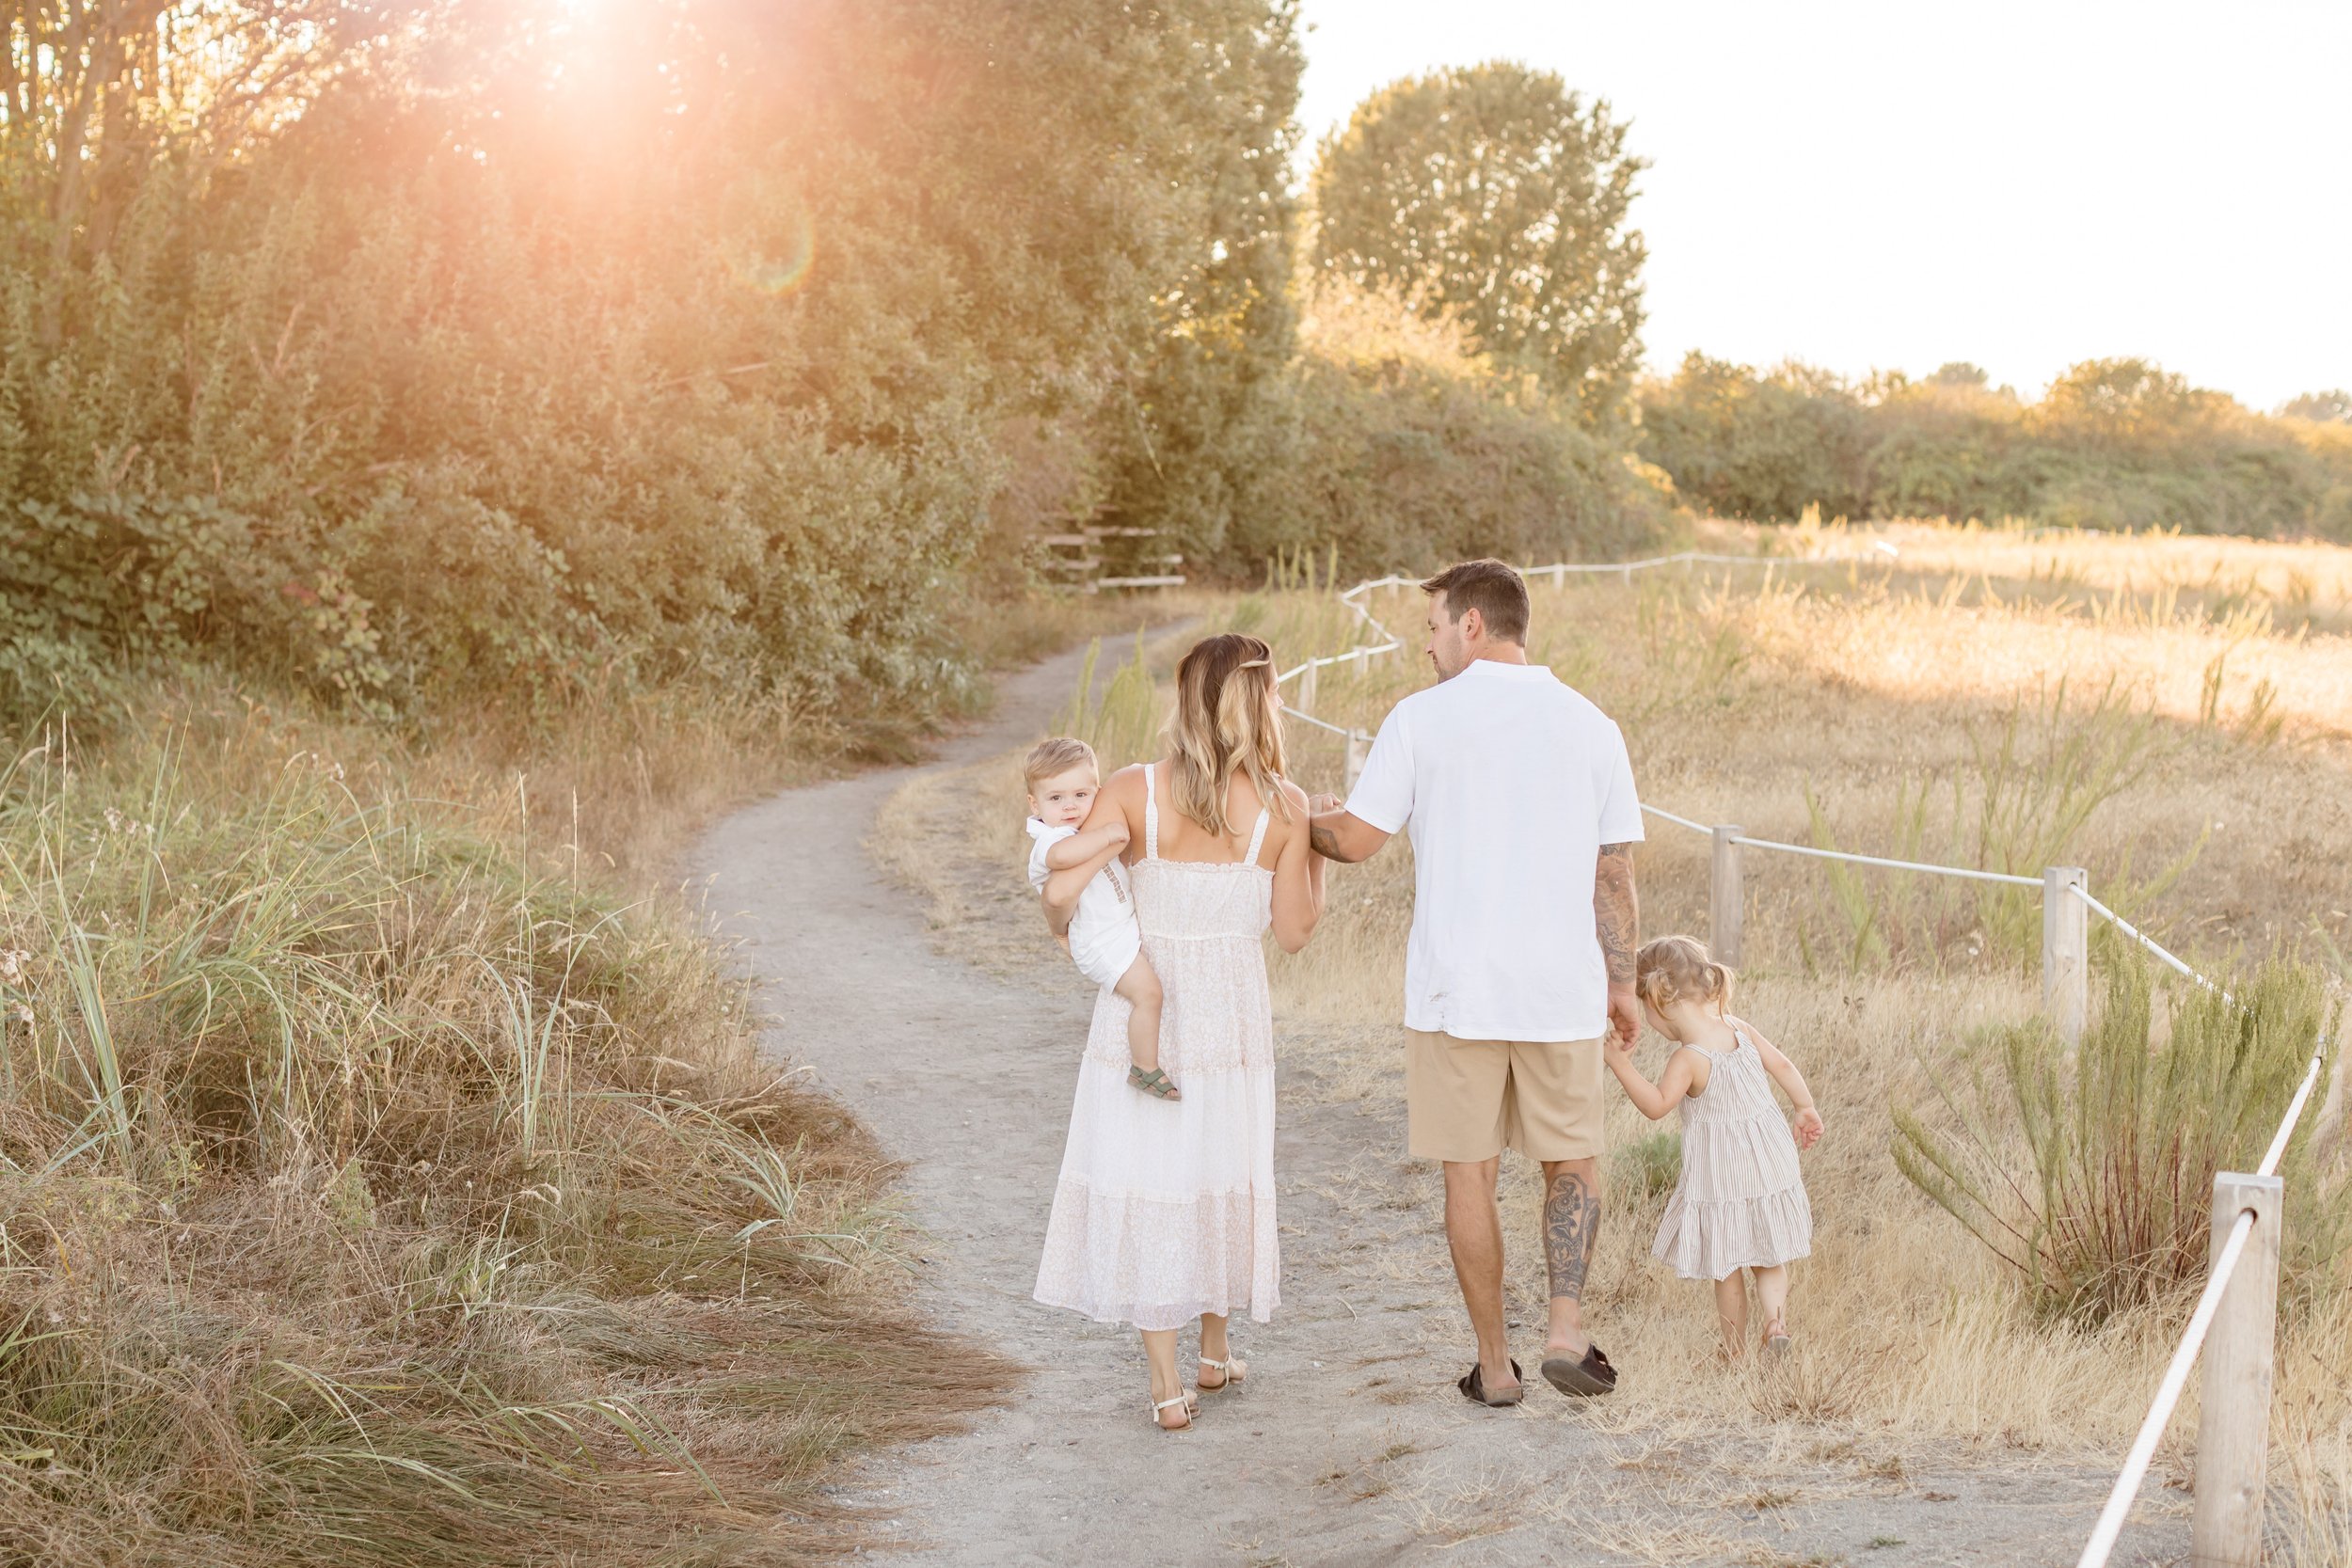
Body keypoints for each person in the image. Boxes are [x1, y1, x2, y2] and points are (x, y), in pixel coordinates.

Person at [1307, 559, 1643, 1406]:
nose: (1425, 644)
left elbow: (1355, 841)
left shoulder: (1421, 720)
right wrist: (1624, 981)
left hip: (1457, 991)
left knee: (1471, 1175)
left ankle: (1494, 1367)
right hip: (1561, 987)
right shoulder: (1591, 724)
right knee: (1571, 1161)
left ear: (1473, 625)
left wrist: (1295, 822)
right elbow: (1614, 874)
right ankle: (1565, 1327)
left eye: (1432, 626)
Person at [1032, 633, 1326, 1431]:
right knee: (1220, 1164)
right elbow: (1295, 932)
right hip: (1231, 1008)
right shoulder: (1286, 804)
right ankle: (1213, 1349)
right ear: (1262, 701)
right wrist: (1315, 850)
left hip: (1146, 1002)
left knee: (1155, 1170)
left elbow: (1059, 892)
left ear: (1188, 700)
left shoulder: (1132, 789)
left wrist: (1071, 934)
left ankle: (1170, 1382)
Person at [1606, 935, 1821, 1360]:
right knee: (1768, 1255)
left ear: (1659, 1001)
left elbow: (1655, 1106)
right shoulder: (1738, 1028)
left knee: (1727, 1265)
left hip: (1723, 1170)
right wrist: (1804, 1107)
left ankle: (1734, 1350)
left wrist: (1618, 1063)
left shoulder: (1689, 1058)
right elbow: (1781, 1064)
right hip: (1768, 1159)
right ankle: (1776, 1323)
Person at [1021, 736, 1173, 1098]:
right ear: (1035, 804)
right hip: (1098, 940)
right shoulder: (1051, 837)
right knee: (1149, 994)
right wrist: (1105, 834)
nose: (1069, 807)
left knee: (1153, 988)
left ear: (1097, 792)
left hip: (1116, 929)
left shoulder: (1078, 830)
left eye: (1080, 795)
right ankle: (1144, 1068)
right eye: (1055, 799)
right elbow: (1059, 857)